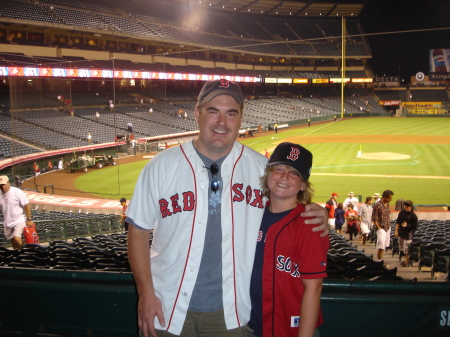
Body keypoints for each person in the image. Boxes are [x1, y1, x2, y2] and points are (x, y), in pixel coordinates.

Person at [125, 79, 328, 337]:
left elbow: (287, 206)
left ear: (241, 118)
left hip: (232, 315)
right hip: (166, 307)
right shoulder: (161, 166)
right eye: (213, 111)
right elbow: (138, 231)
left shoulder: (260, 169)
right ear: (197, 113)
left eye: (231, 113)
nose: (222, 122)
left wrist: (314, 210)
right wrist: (145, 294)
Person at [247, 142, 329, 337]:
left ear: (303, 185)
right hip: (250, 327)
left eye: (294, 173)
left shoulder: (310, 224)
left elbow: (313, 288)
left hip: (292, 331)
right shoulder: (251, 215)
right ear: (268, 174)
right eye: (279, 169)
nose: (284, 177)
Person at [0, 175, 34, 250]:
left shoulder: (17, 192)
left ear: (8, 183)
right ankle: (25, 251)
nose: (2, 187)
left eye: (4, 184)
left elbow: (26, 205)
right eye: (1, 185)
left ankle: (24, 255)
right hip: (7, 222)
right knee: (14, 242)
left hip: (19, 219)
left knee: (16, 238)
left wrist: (29, 219)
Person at [372, 189, 394, 262]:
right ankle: (379, 261)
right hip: (381, 227)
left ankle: (381, 260)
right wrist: (379, 228)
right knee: (381, 246)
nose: (390, 199)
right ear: (384, 197)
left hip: (387, 227)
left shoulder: (388, 204)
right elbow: (374, 218)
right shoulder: (377, 205)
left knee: (384, 246)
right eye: (389, 198)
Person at [395, 200, 418, 267]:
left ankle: (407, 262)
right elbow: (398, 222)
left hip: (408, 235)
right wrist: (396, 231)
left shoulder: (413, 215)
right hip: (401, 233)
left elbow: (415, 225)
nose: (406, 207)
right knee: (402, 249)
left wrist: (407, 225)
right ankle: (406, 261)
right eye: (405, 206)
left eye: (407, 206)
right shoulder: (401, 213)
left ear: (411, 207)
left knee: (407, 250)